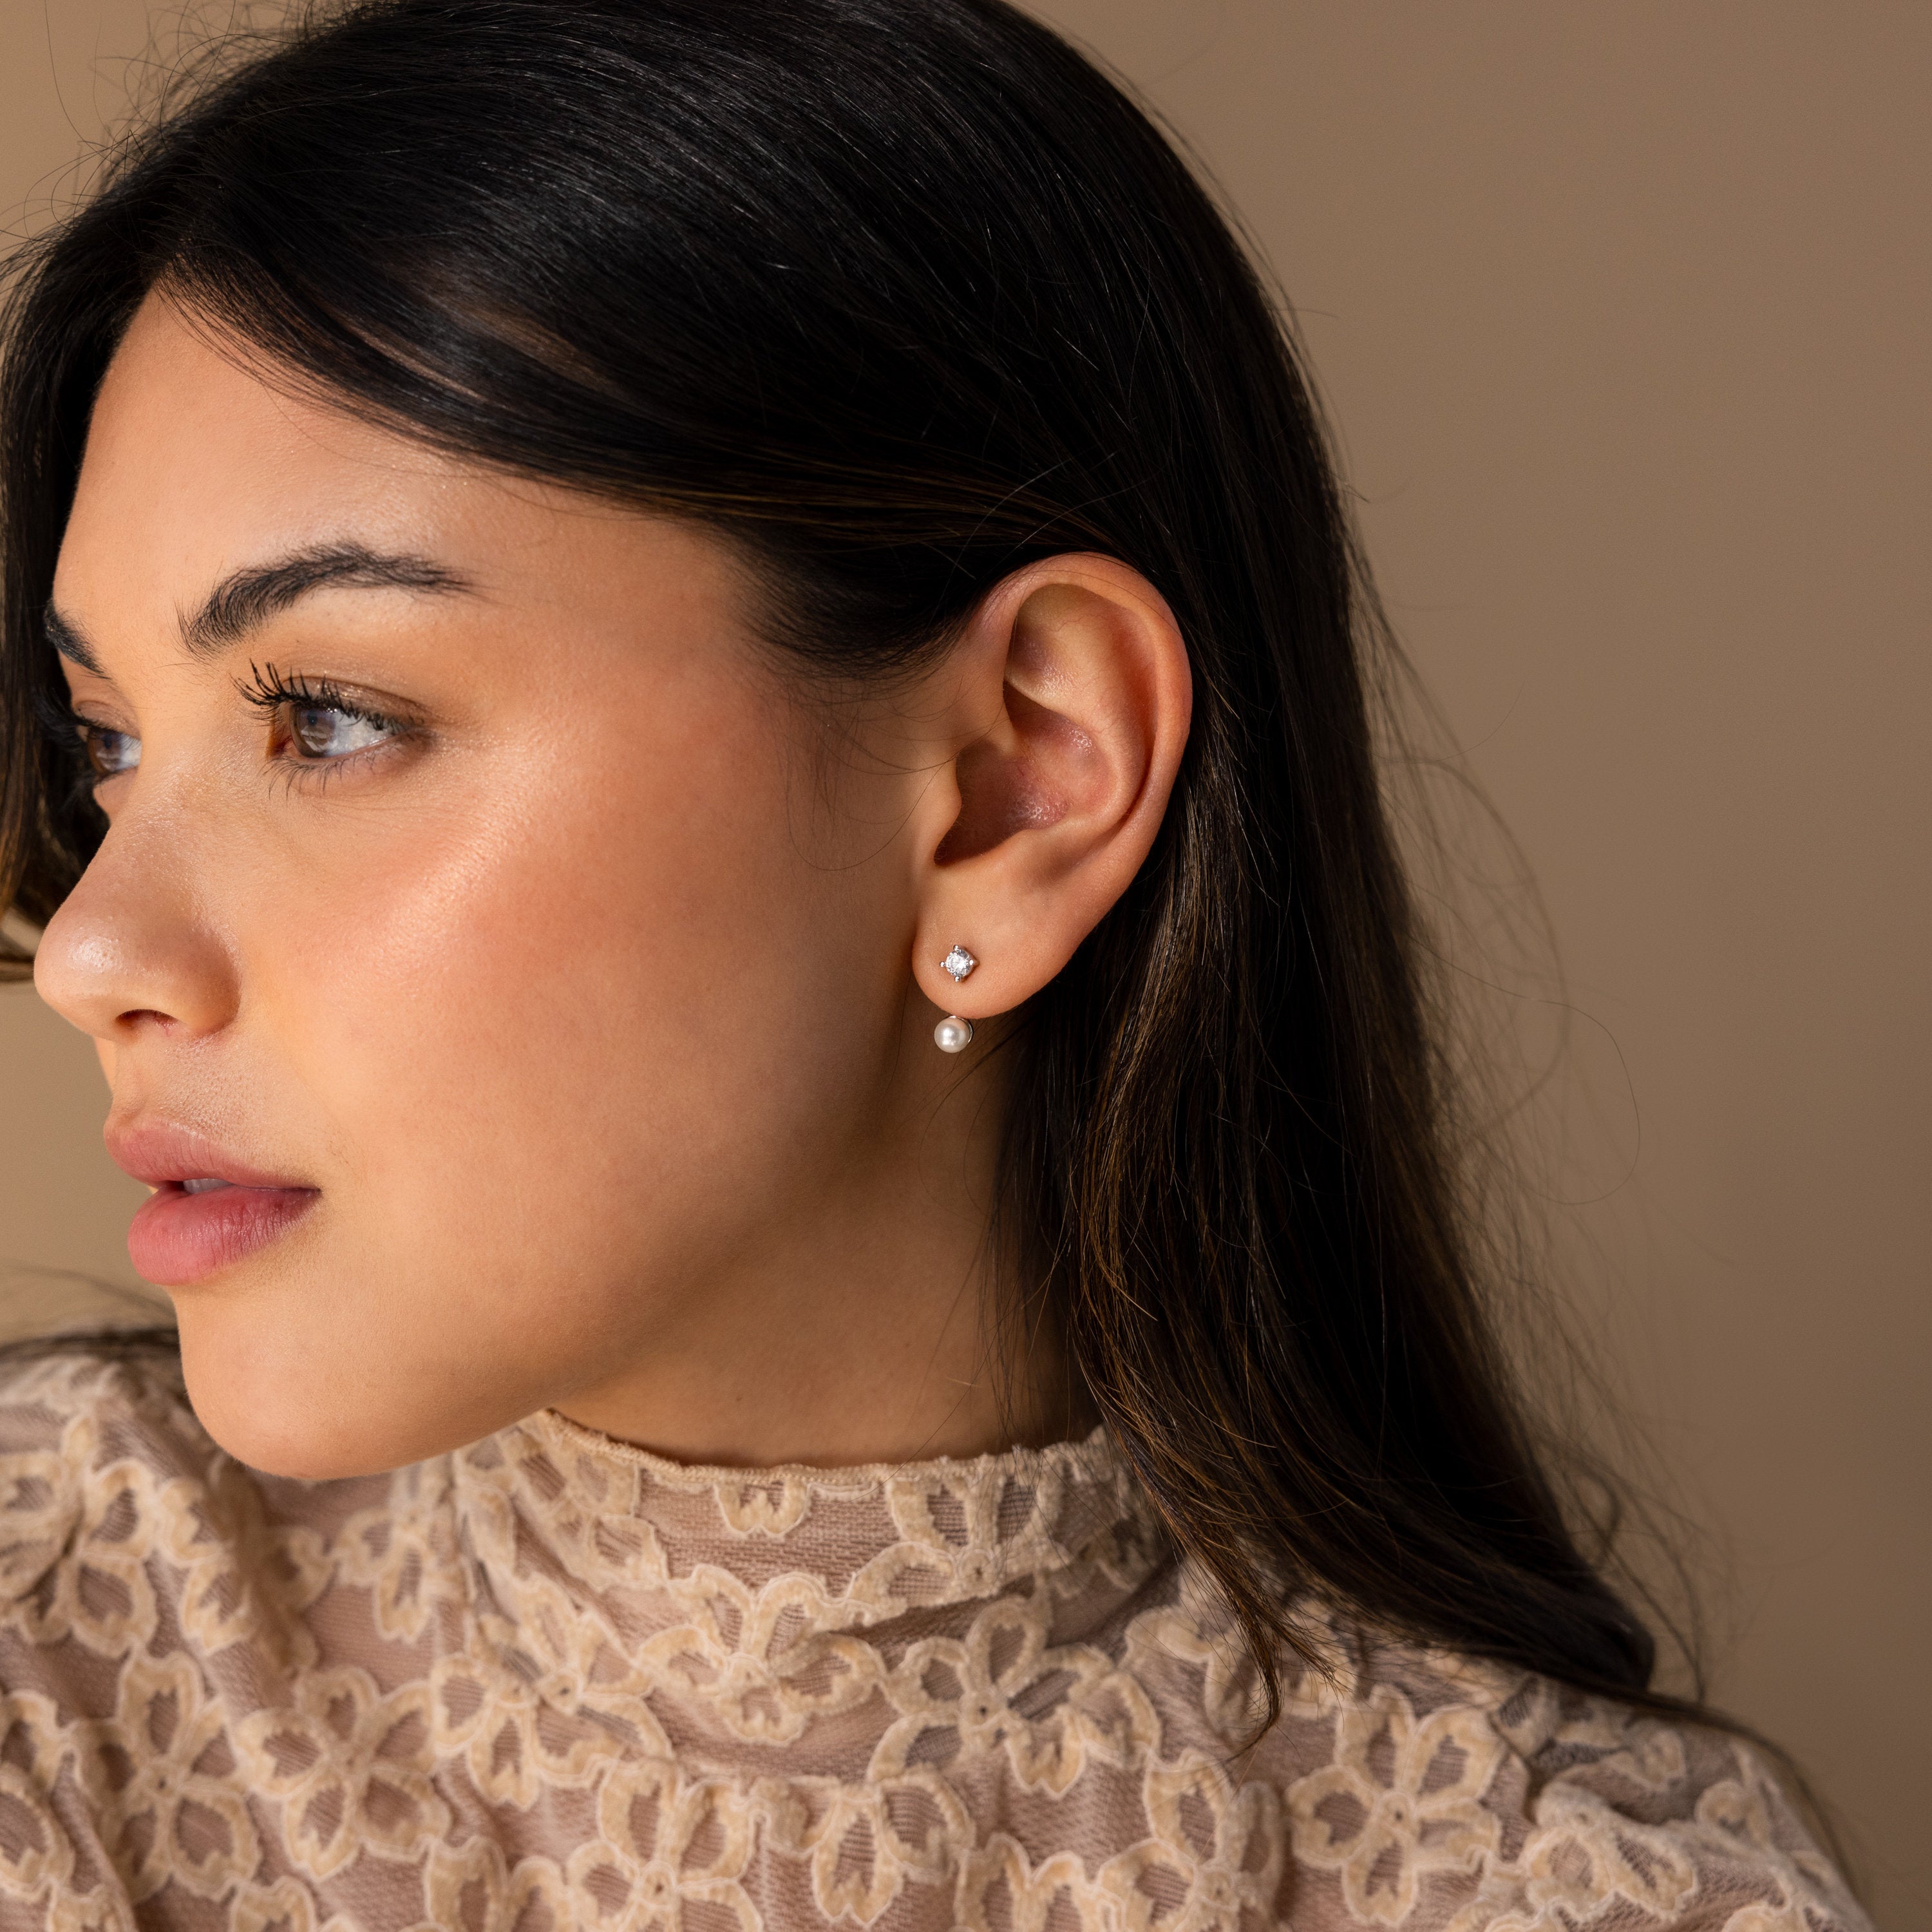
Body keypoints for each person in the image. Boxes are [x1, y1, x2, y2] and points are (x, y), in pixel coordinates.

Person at [0, 1, 1868, 1926]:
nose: (97, 950)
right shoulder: (39, 1664)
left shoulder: (1563, 1891)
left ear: (1015, 784)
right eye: (107, 744)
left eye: (324, 716)